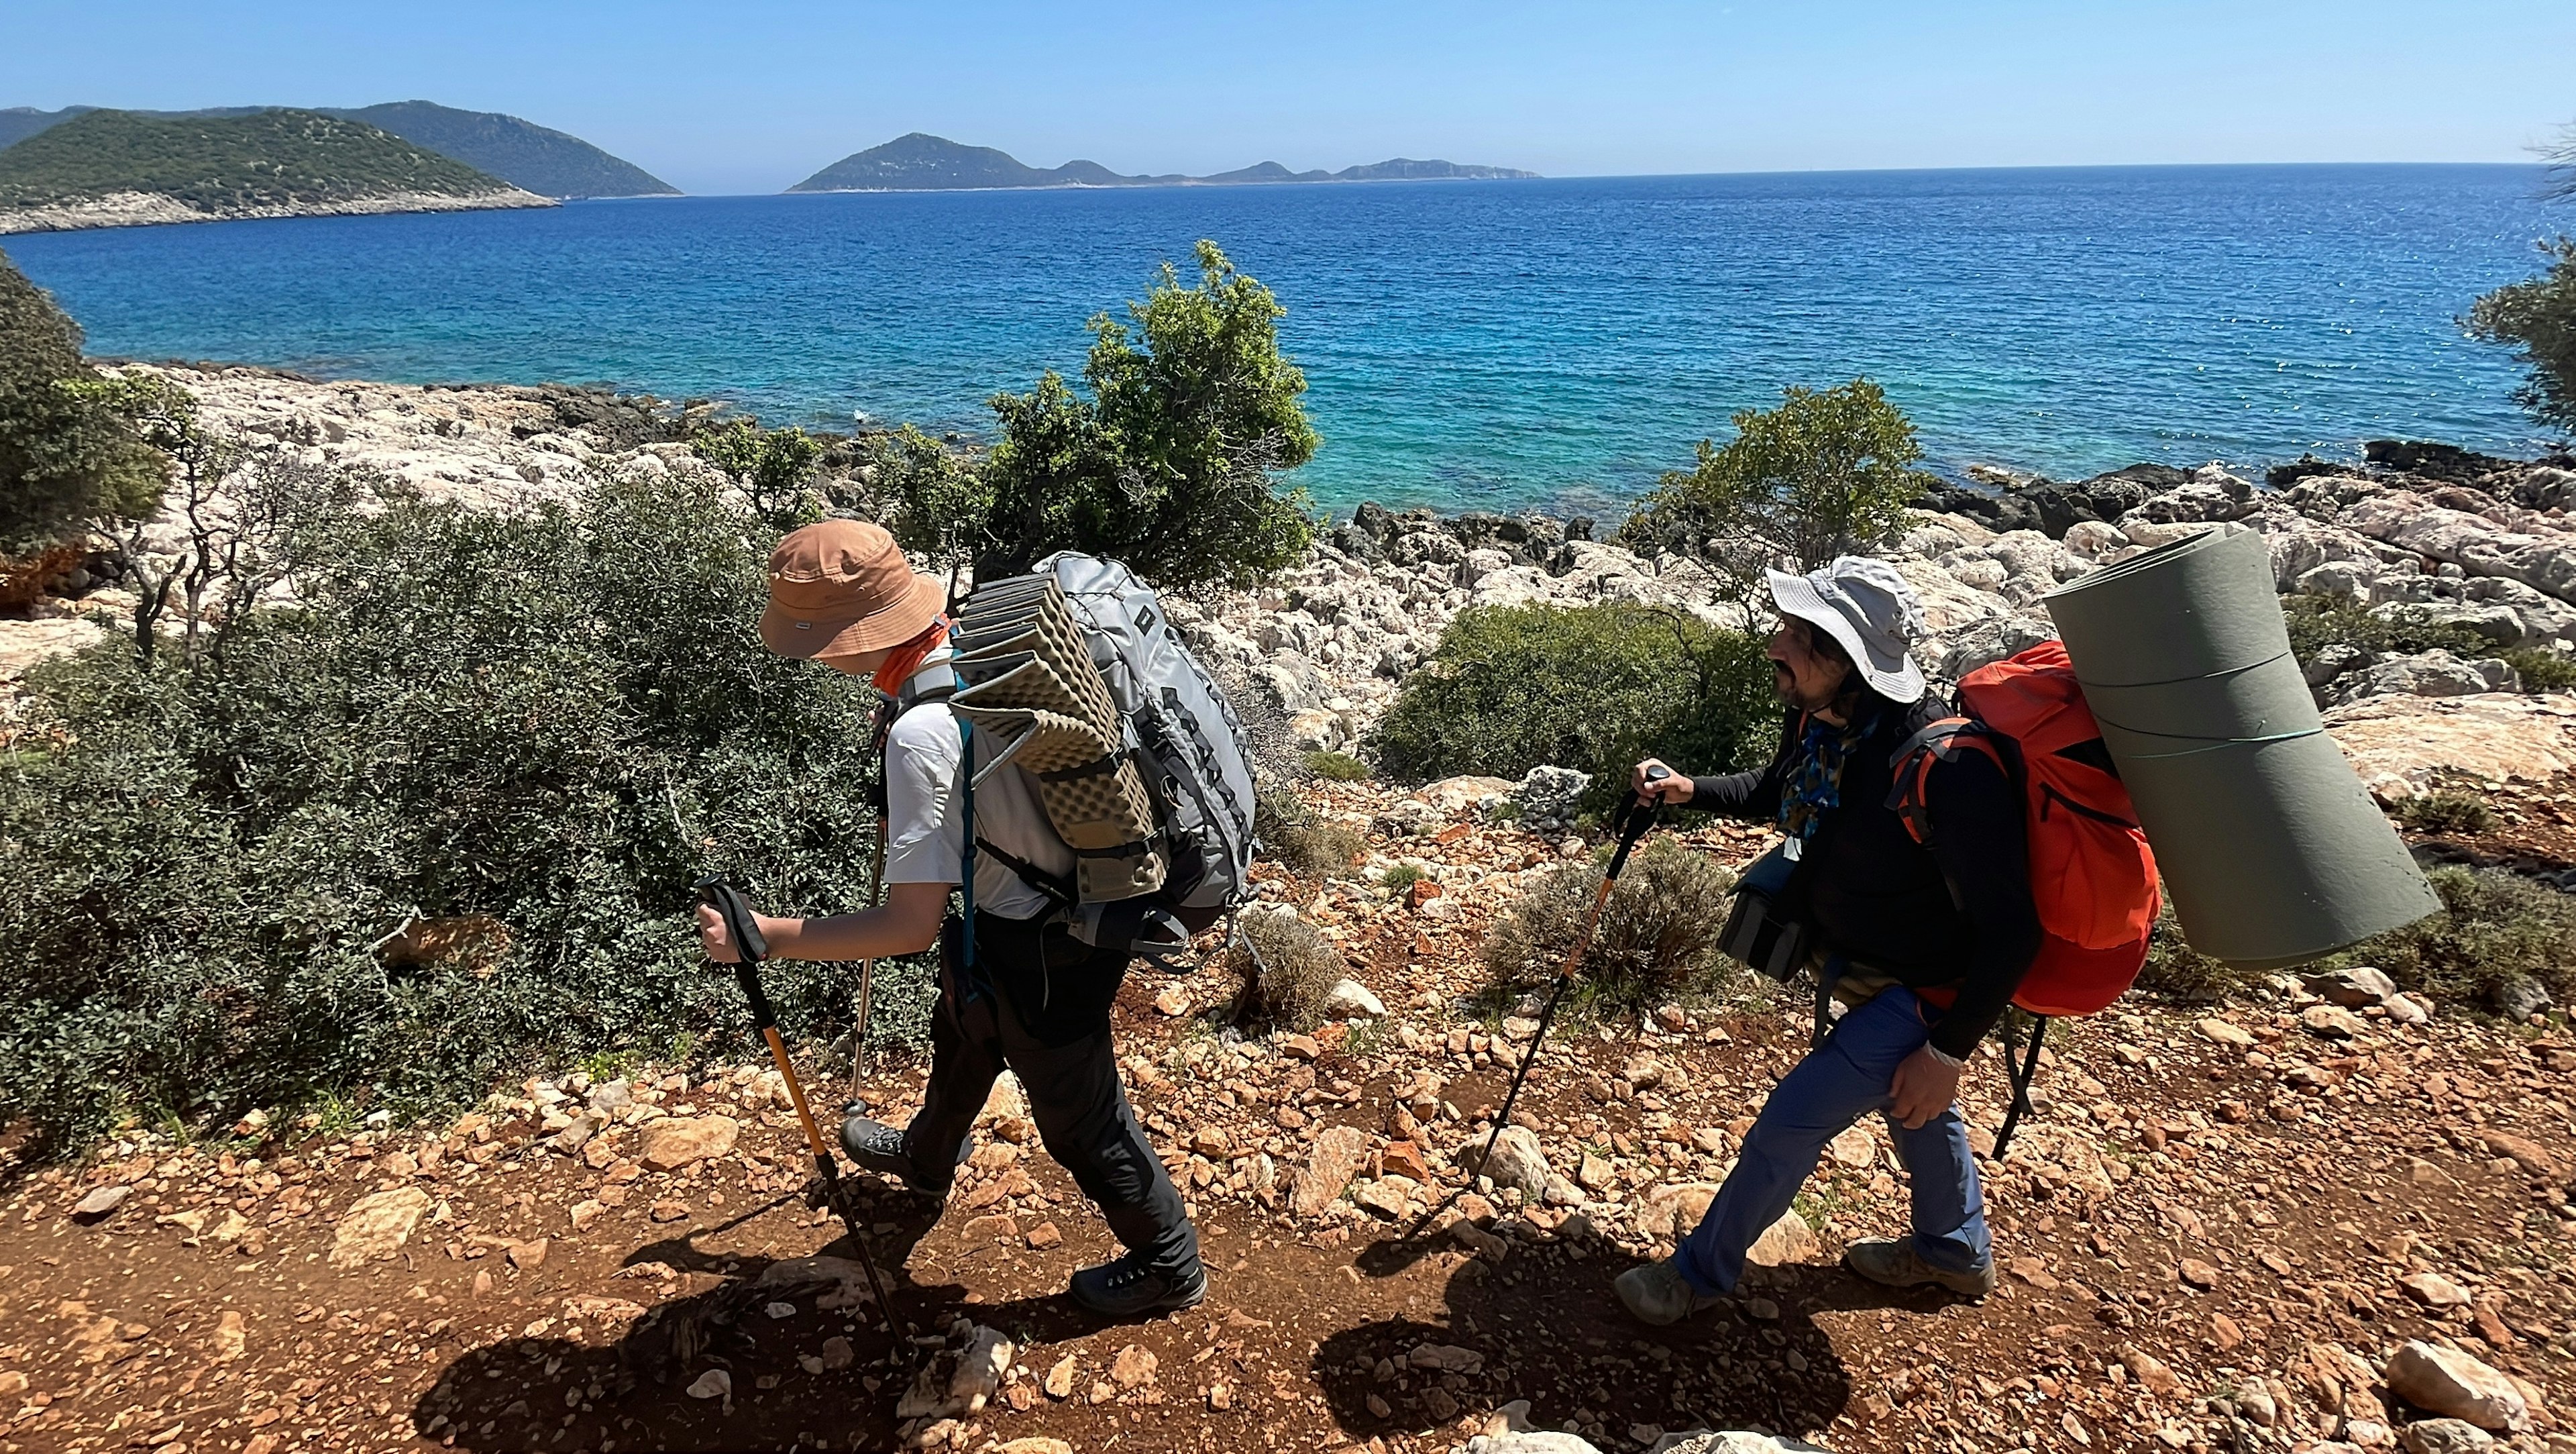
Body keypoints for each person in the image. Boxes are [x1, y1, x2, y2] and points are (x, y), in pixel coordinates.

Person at [694, 519, 1205, 1319]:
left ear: (846, 640)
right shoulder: (977, 644)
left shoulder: (923, 731)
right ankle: (929, 1159)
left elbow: (907, 926)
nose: (819, 659)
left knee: (1079, 1120)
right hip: (1046, 914)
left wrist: (764, 935)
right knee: (966, 1028)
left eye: (818, 642)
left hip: (1047, 947)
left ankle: (1169, 1259)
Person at [1613, 556, 2040, 1325]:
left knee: (1794, 1117)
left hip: (1929, 985)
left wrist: (1947, 1051)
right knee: (1916, 1106)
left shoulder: (1947, 769)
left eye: (1794, 637)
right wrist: (1690, 790)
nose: (1775, 645)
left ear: (1843, 660)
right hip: (1869, 965)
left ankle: (1696, 1276)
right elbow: (1779, 788)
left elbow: (2015, 932)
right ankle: (1954, 1252)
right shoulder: (1819, 717)